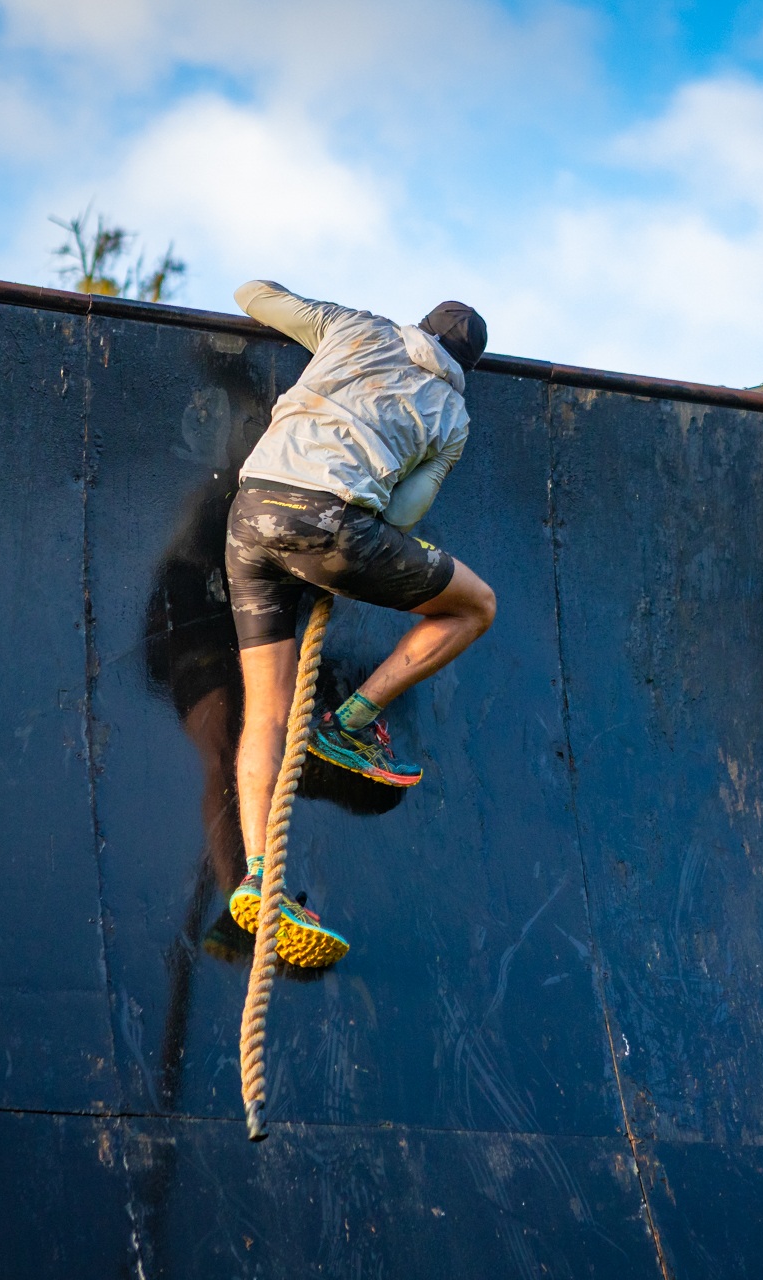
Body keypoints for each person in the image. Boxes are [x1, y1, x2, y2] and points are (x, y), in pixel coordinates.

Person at [223, 281, 496, 965]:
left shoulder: (353, 327)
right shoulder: (453, 415)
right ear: (467, 366)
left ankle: (258, 875)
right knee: (477, 606)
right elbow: (400, 516)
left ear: (420, 325)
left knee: (266, 713)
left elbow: (252, 294)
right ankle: (350, 724)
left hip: (250, 517)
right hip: (330, 527)